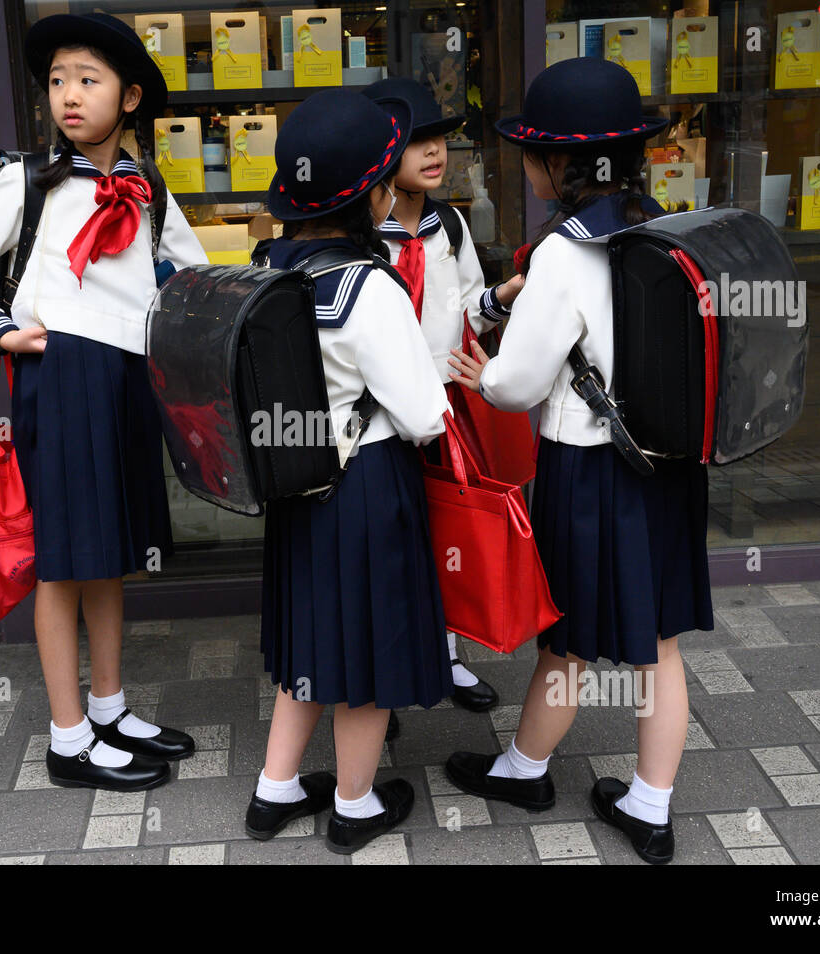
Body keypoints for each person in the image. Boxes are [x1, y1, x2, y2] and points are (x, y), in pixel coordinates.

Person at [443, 58, 714, 864]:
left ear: (554, 164)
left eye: (531, 151)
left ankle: (524, 769)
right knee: (658, 642)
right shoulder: (660, 223)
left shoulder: (565, 252)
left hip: (591, 472)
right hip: (666, 464)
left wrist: (480, 377)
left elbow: (519, 382)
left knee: (566, 636)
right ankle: (651, 806)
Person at [0, 12, 207, 791]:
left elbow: (189, 276)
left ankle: (111, 708)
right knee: (61, 563)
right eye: (57, 81)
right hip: (58, 379)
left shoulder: (148, 185)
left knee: (109, 554)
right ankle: (66, 737)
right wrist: (1, 331)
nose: (68, 95)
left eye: (88, 79)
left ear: (129, 98)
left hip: (125, 379)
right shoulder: (26, 179)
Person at [243, 89, 454, 854]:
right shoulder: (367, 287)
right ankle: (356, 806)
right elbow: (426, 415)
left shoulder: (269, 269)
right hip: (365, 490)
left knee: (308, 646)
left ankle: (275, 790)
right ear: (372, 194)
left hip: (297, 490)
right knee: (365, 653)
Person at [363, 76, 505, 715]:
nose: (434, 151)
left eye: (440, 138)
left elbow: (469, 303)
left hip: (447, 406)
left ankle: (448, 654)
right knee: (396, 539)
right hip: (384, 416)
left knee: (450, 524)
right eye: (417, 141)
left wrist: (499, 300)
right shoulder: (366, 237)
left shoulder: (449, 224)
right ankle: (385, 677)